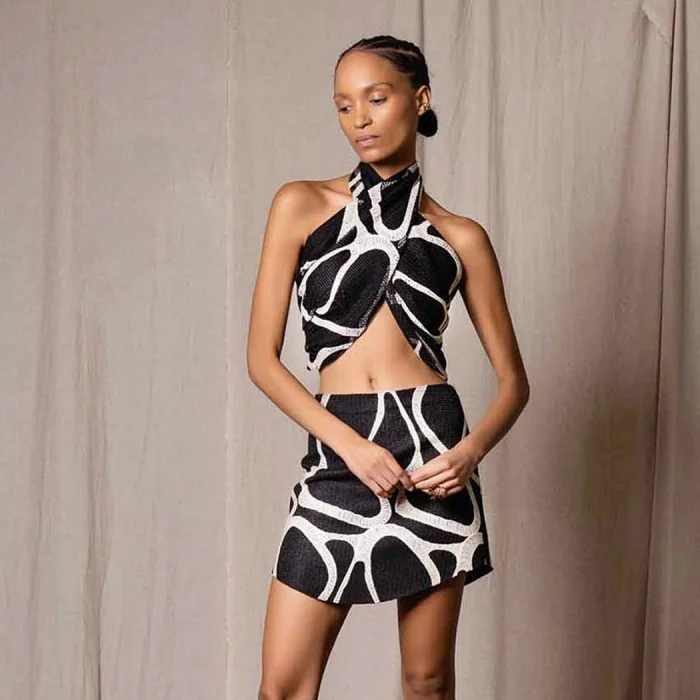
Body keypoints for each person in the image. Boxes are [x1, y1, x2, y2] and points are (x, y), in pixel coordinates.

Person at [247, 34, 530, 700]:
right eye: (344, 106)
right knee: (283, 688)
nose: (360, 120)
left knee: (427, 683)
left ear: (419, 99)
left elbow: (515, 383)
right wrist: (349, 446)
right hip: (340, 449)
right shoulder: (300, 204)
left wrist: (468, 454)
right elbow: (261, 359)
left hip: (433, 454)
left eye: (376, 98)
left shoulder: (461, 237)